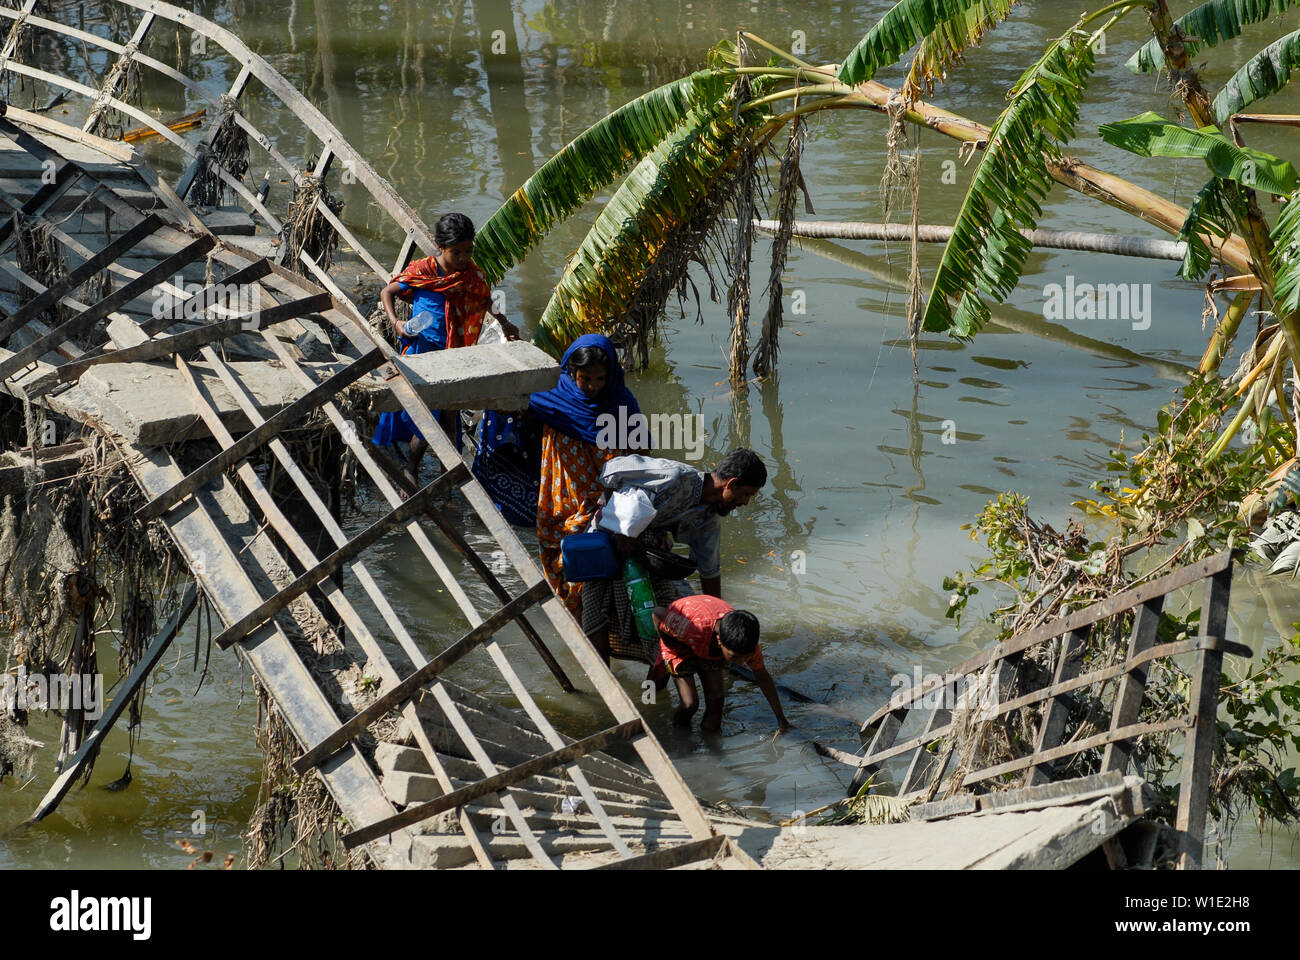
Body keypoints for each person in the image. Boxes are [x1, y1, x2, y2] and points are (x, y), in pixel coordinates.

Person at [580, 448, 767, 664]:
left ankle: (664, 669)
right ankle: (602, 675)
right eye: (746, 494)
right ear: (731, 484)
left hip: (648, 553)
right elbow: (611, 470)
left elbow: (710, 571)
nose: (745, 503)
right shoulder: (672, 476)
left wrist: (720, 623)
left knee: (670, 616)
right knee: (596, 611)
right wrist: (625, 522)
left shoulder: (708, 520)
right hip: (608, 537)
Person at [372, 212, 518, 479]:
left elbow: (486, 300)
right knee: (427, 419)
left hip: (456, 355)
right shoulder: (423, 271)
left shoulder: (473, 276)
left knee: (449, 417)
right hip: (424, 354)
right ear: (441, 248)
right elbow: (388, 292)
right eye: (456, 252)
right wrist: (397, 325)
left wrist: (505, 323)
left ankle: (448, 479)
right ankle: (412, 471)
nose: (463, 258)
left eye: (468, 251)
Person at [526, 334, 643, 618]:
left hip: (599, 501)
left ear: (610, 374)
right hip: (558, 498)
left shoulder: (620, 404)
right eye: (585, 378)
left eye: (599, 379)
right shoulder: (553, 393)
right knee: (559, 556)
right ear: (571, 372)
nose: (592, 386)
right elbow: (517, 405)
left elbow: (637, 455)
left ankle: (587, 623)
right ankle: (572, 621)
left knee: (588, 562)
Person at [652, 594, 789, 733]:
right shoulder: (691, 629)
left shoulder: (749, 648)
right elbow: (658, 613)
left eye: (745, 657)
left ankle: (711, 742)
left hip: (707, 646)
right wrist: (676, 647)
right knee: (689, 704)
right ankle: (679, 735)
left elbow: (764, 680)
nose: (742, 662)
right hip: (682, 644)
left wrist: (781, 719)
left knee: (716, 699)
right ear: (719, 641)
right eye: (735, 657)